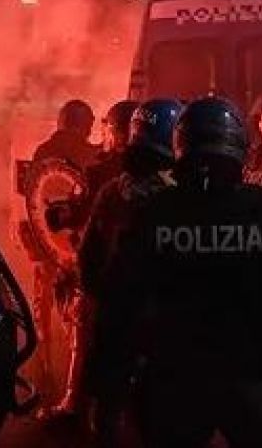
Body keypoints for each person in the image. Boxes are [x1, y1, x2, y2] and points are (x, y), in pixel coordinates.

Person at [107, 97, 262, 448]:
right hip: (252, 379)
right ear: (237, 145)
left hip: (175, 383)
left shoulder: (156, 213)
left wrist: (107, 386)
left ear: (181, 146)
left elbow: (120, 302)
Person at [78, 99, 181, 446]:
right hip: (164, 330)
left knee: (108, 411)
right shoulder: (180, 197)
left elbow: (87, 256)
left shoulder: (112, 191)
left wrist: (105, 297)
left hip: (116, 321)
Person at [20, 99, 100, 411]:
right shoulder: (89, 155)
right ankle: (73, 371)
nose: (93, 128)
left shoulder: (41, 152)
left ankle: (42, 362)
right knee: (74, 311)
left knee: (43, 303)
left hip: (45, 244)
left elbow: (32, 197)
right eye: (89, 122)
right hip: (73, 249)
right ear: (80, 123)